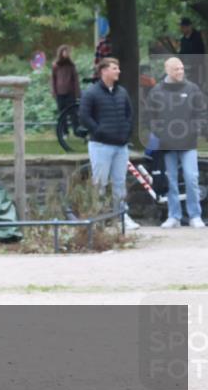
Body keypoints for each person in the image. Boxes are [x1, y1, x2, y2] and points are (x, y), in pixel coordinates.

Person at [78, 57, 140, 231]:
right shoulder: (91, 93)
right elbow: (84, 116)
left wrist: (126, 132)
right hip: (101, 146)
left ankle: (122, 216)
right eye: (114, 68)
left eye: (118, 68)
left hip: (121, 146)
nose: (118, 71)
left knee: (119, 183)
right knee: (100, 183)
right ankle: (97, 217)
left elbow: (129, 114)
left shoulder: (122, 92)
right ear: (104, 71)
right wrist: (98, 131)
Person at [145, 57, 207, 228]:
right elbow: (150, 116)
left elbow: (201, 112)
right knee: (170, 180)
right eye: (176, 69)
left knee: (191, 178)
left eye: (181, 68)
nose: (180, 72)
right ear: (167, 70)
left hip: (188, 144)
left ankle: (195, 215)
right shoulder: (156, 91)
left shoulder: (192, 89)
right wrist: (160, 133)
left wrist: (195, 129)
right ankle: (174, 216)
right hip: (166, 145)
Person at [51, 44, 81, 129]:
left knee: (73, 112)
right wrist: (54, 91)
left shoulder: (71, 65)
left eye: (68, 52)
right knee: (62, 113)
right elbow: (53, 79)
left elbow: (75, 79)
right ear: (61, 53)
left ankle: (77, 129)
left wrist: (77, 92)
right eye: (65, 51)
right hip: (59, 93)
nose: (66, 53)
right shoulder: (55, 65)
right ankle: (64, 131)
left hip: (70, 93)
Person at [179, 18, 206, 92]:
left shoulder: (198, 37)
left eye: (183, 27)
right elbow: (182, 54)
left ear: (189, 27)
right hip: (187, 69)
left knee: (198, 88)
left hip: (198, 68)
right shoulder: (183, 40)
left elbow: (200, 53)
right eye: (181, 27)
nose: (182, 29)